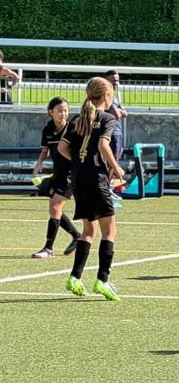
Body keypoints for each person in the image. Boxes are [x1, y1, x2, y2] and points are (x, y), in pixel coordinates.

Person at [58, 77, 125, 301]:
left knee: (89, 231)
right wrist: (116, 168)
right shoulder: (107, 118)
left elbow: (62, 147)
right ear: (107, 96)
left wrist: (78, 162)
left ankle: (75, 277)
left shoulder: (78, 119)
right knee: (109, 231)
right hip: (97, 179)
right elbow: (102, 144)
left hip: (79, 180)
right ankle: (102, 280)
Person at [31, 97, 82, 258]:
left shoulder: (72, 129)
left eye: (66, 110)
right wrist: (39, 163)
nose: (63, 113)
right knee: (55, 209)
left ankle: (48, 249)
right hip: (57, 173)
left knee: (55, 208)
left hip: (70, 174)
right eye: (60, 110)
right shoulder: (48, 130)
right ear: (50, 112)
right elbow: (45, 150)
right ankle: (76, 236)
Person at [104, 69, 127, 162]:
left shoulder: (115, 97)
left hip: (117, 132)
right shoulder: (107, 96)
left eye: (117, 80)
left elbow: (124, 113)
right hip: (111, 133)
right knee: (112, 162)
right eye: (113, 80)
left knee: (114, 160)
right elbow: (117, 114)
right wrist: (120, 111)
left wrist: (120, 111)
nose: (116, 83)